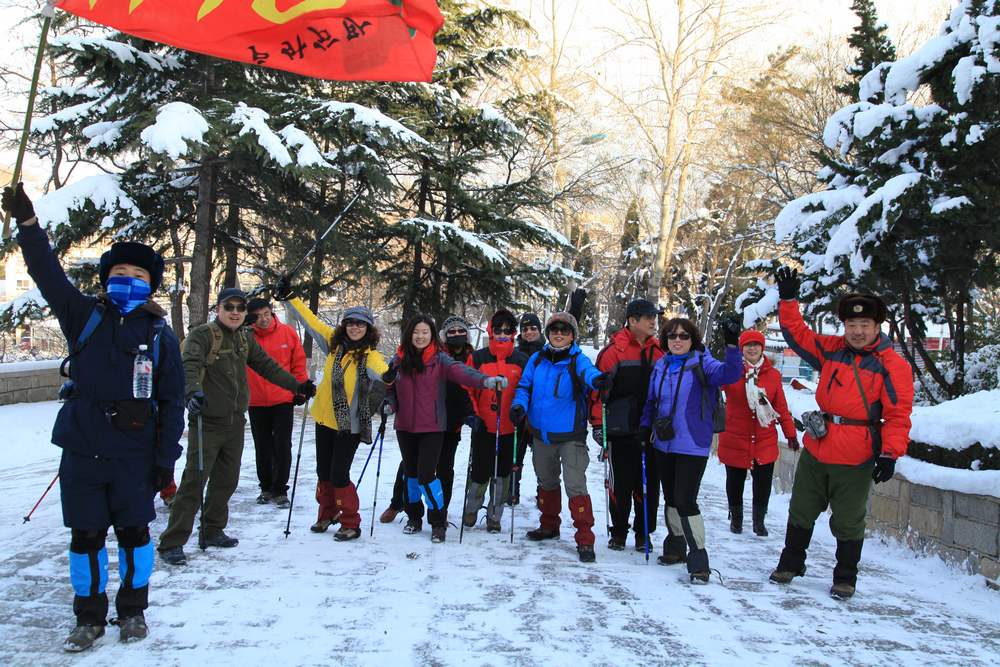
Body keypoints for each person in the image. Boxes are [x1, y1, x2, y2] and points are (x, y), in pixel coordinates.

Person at [4, 183, 185, 651]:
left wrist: (165, 461)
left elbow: (172, 402)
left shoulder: (161, 336)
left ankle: (133, 611)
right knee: (84, 537)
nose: (127, 278)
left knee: (134, 536)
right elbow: (46, 271)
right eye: (119, 271)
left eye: (137, 273)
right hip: (83, 451)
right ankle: (88, 617)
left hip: (134, 453)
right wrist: (28, 224)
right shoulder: (81, 314)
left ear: (151, 283)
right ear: (105, 279)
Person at [769, 268, 913, 599]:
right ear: (844, 327)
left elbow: (897, 414)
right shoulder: (833, 349)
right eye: (851, 325)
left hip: (856, 453)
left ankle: (846, 576)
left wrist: (890, 454)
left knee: (849, 520)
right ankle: (791, 563)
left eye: (864, 325)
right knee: (801, 508)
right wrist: (789, 300)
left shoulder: (892, 365)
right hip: (818, 447)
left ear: (878, 327)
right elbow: (798, 335)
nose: (858, 331)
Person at [157, 288, 315, 565]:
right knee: (194, 481)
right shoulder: (203, 335)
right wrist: (192, 393)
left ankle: (213, 530)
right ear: (218, 309)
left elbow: (268, 367)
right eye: (229, 307)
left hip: (234, 421)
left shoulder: (244, 338)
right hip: (207, 421)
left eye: (240, 308)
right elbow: (189, 366)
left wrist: (298, 386)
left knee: (226, 480)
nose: (235, 312)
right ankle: (172, 541)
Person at [382, 314, 504, 543]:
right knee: (411, 476)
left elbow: (463, 372)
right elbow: (391, 388)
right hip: (405, 427)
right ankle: (414, 518)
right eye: (416, 332)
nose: (420, 336)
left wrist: (486, 381)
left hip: (432, 427)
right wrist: (389, 403)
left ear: (432, 336)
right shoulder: (399, 360)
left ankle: (438, 521)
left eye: (425, 332)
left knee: (427, 475)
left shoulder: (440, 360)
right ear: (410, 334)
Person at [639, 316, 742, 583]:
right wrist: (644, 427)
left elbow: (730, 374)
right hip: (663, 442)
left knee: (685, 499)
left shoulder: (702, 363)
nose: (677, 340)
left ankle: (699, 559)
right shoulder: (661, 365)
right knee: (671, 497)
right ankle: (675, 546)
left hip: (692, 444)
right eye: (672, 336)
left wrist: (732, 345)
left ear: (692, 340)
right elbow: (651, 400)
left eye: (684, 336)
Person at [283, 293, 388, 541]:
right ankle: (327, 513)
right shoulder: (333, 344)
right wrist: (290, 297)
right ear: (344, 326)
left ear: (368, 328)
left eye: (360, 324)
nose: (354, 327)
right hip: (324, 419)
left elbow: (386, 376)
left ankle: (351, 521)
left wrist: (392, 375)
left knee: (339, 474)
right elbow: (310, 321)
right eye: (350, 322)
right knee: (323, 472)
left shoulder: (371, 357)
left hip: (348, 425)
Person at [510, 312, 609, 563]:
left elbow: (590, 374)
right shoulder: (537, 358)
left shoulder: (578, 360)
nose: (558, 334)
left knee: (575, 485)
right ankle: (549, 525)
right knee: (547, 482)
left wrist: (598, 381)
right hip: (541, 434)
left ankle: (585, 538)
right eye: (554, 329)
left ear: (572, 335)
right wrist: (519, 406)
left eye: (564, 330)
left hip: (570, 437)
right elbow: (524, 387)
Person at [378, 315, 475, 524]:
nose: (457, 335)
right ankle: (398, 504)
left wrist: (471, 413)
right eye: (452, 331)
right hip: (424, 419)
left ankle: (440, 511)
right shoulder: (436, 354)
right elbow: (395, 382)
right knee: (410, 467)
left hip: (451, 422)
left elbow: (470, 388)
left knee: (443, 469)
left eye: (461, 331)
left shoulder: (473, 358)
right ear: (443, 335)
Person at [590, 298, 665, 552]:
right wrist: (598, 424)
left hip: (651, 429)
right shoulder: (614, 351)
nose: (653, 321)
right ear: (633, 321)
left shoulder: (659, 352)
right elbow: (597, 393)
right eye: (648, 317)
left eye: (655, 316)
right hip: (620, 429)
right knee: (620, 483)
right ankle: (619, 530)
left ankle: (644, 532)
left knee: (648, 483)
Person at [719, 330, 798, 537]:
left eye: (756, 345)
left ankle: (758, 521)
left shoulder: (773, 375)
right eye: (747, 345)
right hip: (735, 436)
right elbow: (714, 388)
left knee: (762, 484)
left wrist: (790, 433)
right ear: (742, 349)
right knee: (734, 482)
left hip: (764, 438)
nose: (752, 348)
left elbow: (780, 406)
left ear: (762, 348)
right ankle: (736, 519)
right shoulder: (732, 372)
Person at [463, 309, 529, 531]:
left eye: (507, 330)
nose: (502, 334)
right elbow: (468, 387)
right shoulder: (479, 357)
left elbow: (526, 389)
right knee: (480, 471)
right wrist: (473, 414)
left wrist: (521, 411)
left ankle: (495, 515)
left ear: (513, 333)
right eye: (498, 330)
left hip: (509, 427)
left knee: (502, 473)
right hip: (484, 425)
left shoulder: (521, 359)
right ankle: (471, 509)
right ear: (491, 330)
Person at [245, 298, 307, 509]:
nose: (262, 319)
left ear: (272, 312)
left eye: (266, 314)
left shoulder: (287, 333)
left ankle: (280, 488)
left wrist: (299, 388)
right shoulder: (245, 336)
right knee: (262, 446)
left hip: (282, 399)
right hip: (255, 400)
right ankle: (265, 487)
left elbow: (298, 362)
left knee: (282, 445)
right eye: (257, 316)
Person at [511, 312, 545, 505]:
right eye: (525, 329)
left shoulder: (548, 352)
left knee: (542, 458)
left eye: (533, 328)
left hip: (541, 412)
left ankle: (543, 493)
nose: (529, 332)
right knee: (516, 454)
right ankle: (512, 492)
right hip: (520, 410)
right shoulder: (515, 354)